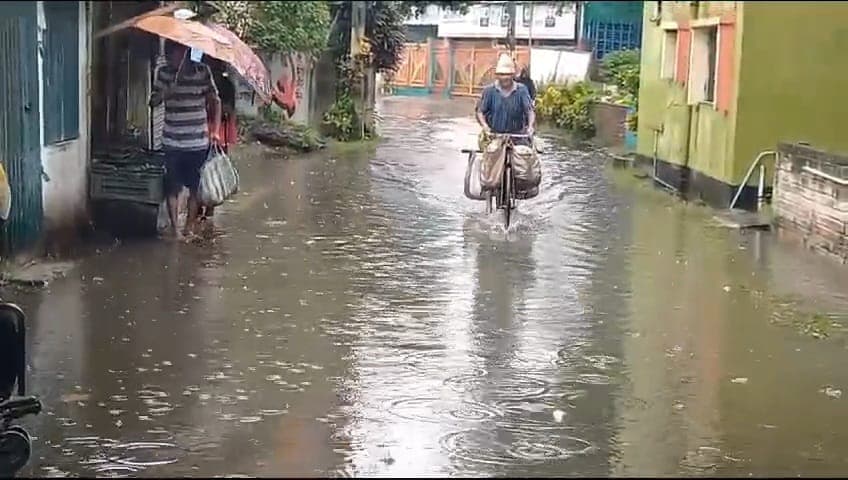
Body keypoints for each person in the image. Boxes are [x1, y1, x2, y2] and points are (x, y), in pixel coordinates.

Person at [150, 41, 221, 241]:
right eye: (174, 52)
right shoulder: (163, 73)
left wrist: (215, 130)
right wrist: (166, 92)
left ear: (188, 52)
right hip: (172, 141)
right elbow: (153, 102)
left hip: (197, 142)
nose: (177, 56)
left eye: (181, 51)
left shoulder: (202, 71)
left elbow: (215, 100)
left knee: (195, 188)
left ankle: (189, 226)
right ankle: (175, 230)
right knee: (172, 187)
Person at [476, 54, 536, 145]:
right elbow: (480, 112)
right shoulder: (489, 91)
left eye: (507, 74)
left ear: (513, 75)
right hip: (494, 136)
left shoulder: (522, 90)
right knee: (492, 154)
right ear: (497, 75)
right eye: (501, 74)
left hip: (518, 137)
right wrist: (485, 126)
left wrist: (530, 127)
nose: (504, 78)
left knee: (523, 156)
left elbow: (530, 110)